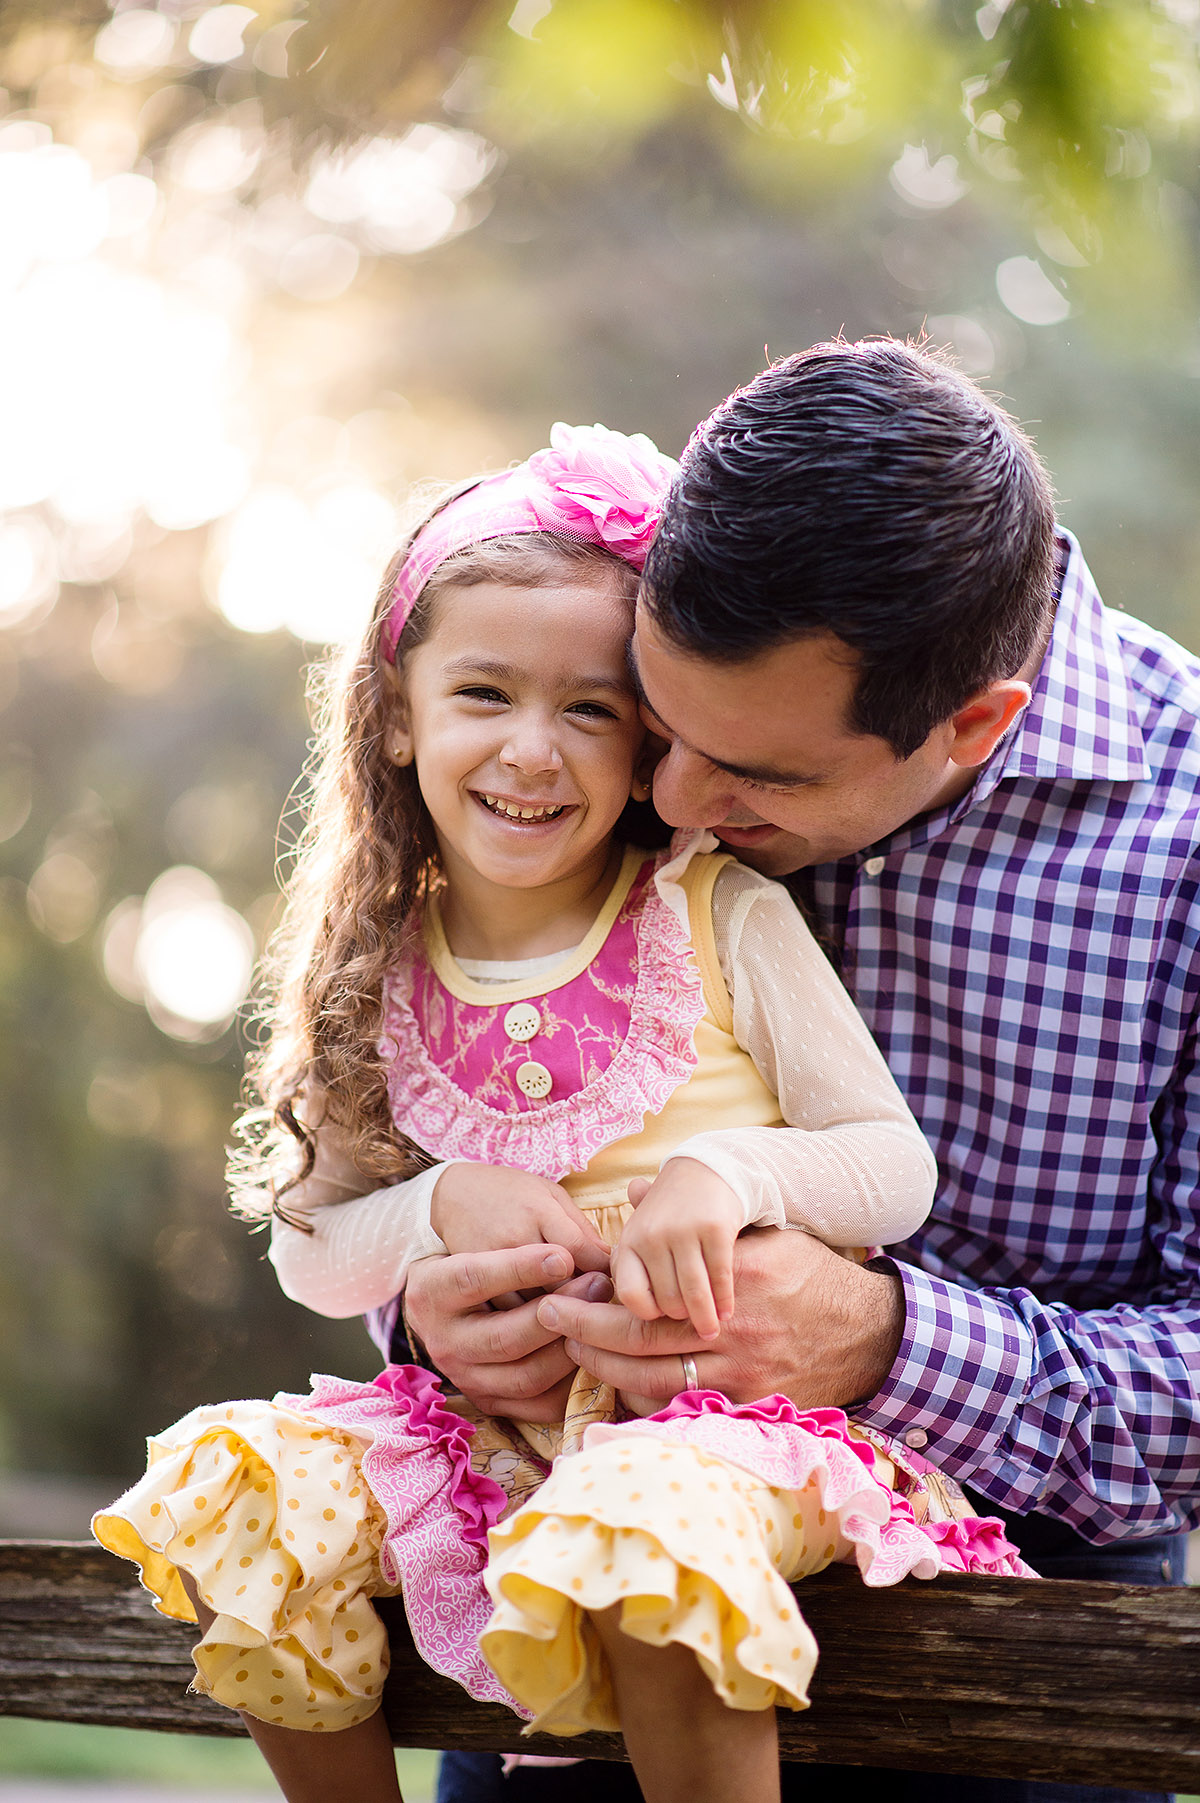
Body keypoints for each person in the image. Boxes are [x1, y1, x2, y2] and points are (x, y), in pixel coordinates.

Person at [93, 421, 1026, 1803]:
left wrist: (725, 1176)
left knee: (642, 1535)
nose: (535, 751)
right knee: (246, 1496)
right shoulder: (378, 954)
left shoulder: (713, 913)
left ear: (650, 733)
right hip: (487, 1435)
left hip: (715, 1437)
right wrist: (435, 1210)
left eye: (591, 709)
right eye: (484, 693)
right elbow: (311, 1246)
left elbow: (891, 1169)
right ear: (397, 712)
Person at [422, 342, 1200, 1803]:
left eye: (760, 782)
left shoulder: (1186, 837)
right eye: (660, 726)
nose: (668, 804)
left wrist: (887, 1347)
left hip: (1019, 1674)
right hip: (590, 1600)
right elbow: (434, 1064)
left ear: (975, 725)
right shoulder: (598, 720)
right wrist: (448, 1311)